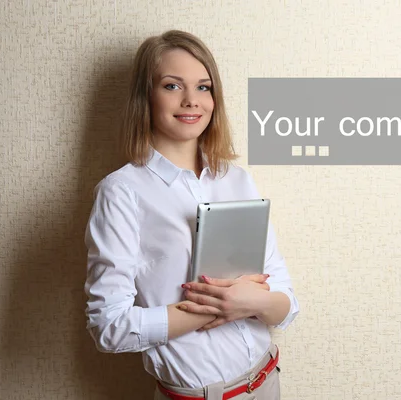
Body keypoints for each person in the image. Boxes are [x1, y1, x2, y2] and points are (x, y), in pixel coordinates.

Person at [84, 30, 299, 400]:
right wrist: (223, 306)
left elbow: (286, 302)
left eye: (203, 87)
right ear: (145, 96)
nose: (191, 101)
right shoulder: (121, 192)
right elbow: (109, 326)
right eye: (172, 86)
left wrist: (256, 302)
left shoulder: (236, 179)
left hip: (267, 382)